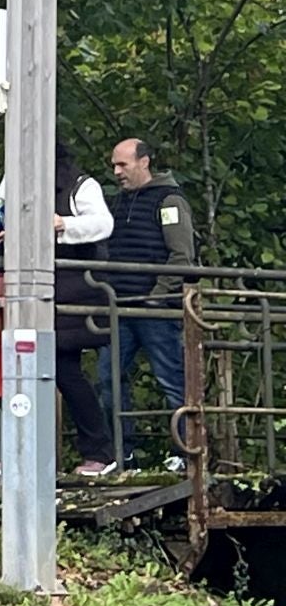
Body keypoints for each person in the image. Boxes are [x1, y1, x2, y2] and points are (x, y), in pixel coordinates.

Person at [0, 142, 116, 477]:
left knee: (55, 370)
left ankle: (20, 453)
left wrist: (64, 225)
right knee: (31, 368)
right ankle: (94, 452)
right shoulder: (10, 182)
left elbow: (103, 224)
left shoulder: (81, 185)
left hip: (68, 295)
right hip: (25, 292)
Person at [99, 137, 195, 470]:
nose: (116, 171)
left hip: (154, 308)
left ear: (144, 162)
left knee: (172, 378)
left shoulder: (168, 200)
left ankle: (186, 452)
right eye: (114, 164)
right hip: (120, 307)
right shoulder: (116, 204)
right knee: (108, 378)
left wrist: (157, 296)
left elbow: (182, 255)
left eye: (122, 164)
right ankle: (122, 454)